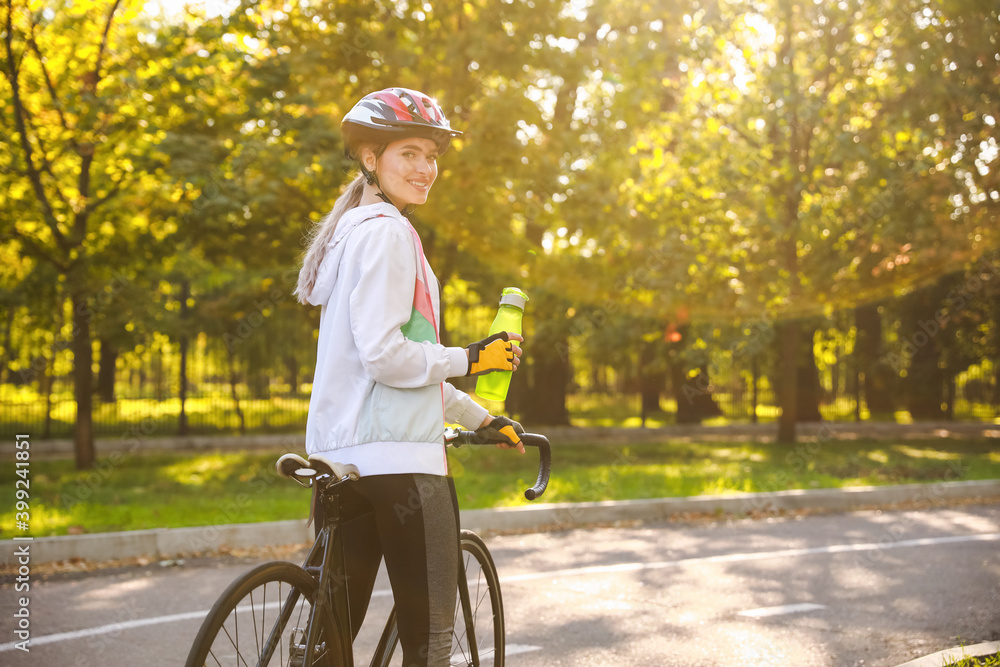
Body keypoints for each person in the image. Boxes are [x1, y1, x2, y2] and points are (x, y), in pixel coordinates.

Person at [294, 87, 525, 667]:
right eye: (410, 155)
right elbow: (389, 359)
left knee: (330, 640)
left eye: (432, 155)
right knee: (431, 644)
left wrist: (481, 416)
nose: (426, 169)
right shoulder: (391, 234)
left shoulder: (348, 236)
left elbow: (399, 367)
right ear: (371, 158)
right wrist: (475, 357)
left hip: (342, 461)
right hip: (403, 465)